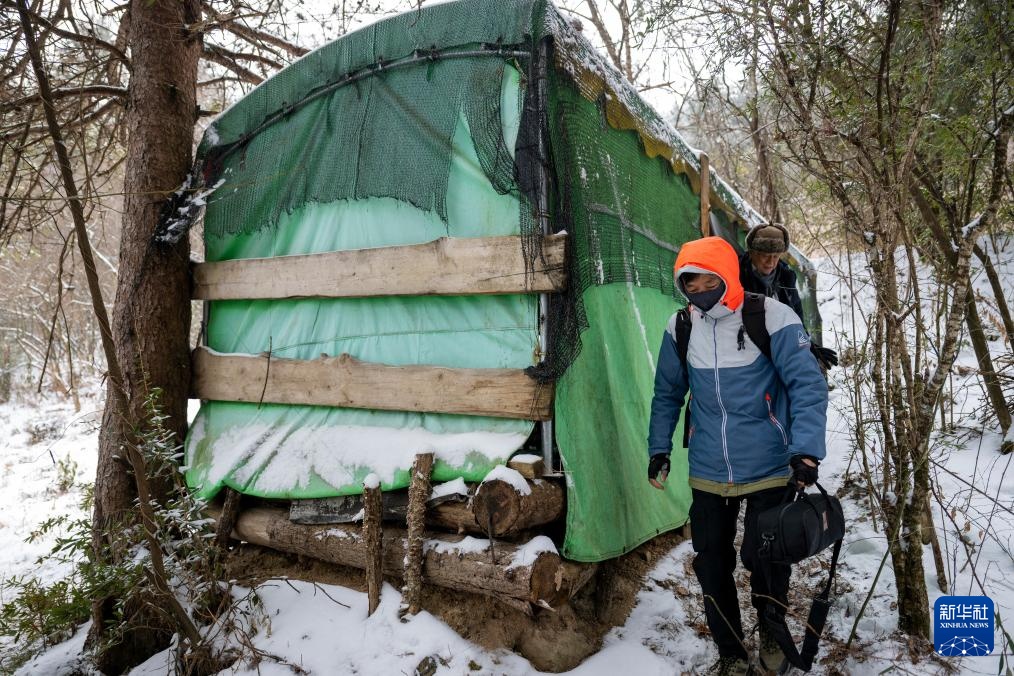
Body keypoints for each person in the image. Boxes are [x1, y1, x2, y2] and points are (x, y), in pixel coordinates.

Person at [646, 236, 828, 676]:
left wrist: (806, 451)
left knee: (764, 557)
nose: (699, 289)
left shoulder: (771, 316)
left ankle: (771, 636)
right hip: (709, 466)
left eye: (709, 279)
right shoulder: (681, 326)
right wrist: (659, 449)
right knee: (711, 562)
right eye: (690, 283)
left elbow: (807, 385)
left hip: (769, 462)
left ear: (728, 275)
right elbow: (667, 394)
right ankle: (730, 651)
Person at [739, 223, 837, 372]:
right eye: (765, 256)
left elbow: (795, 319)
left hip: (779, 352)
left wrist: (808, 345)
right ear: (752, 253)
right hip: (746, 357)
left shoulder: (786, 278)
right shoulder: (738, 276)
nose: (771, 262)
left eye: (776, 257)